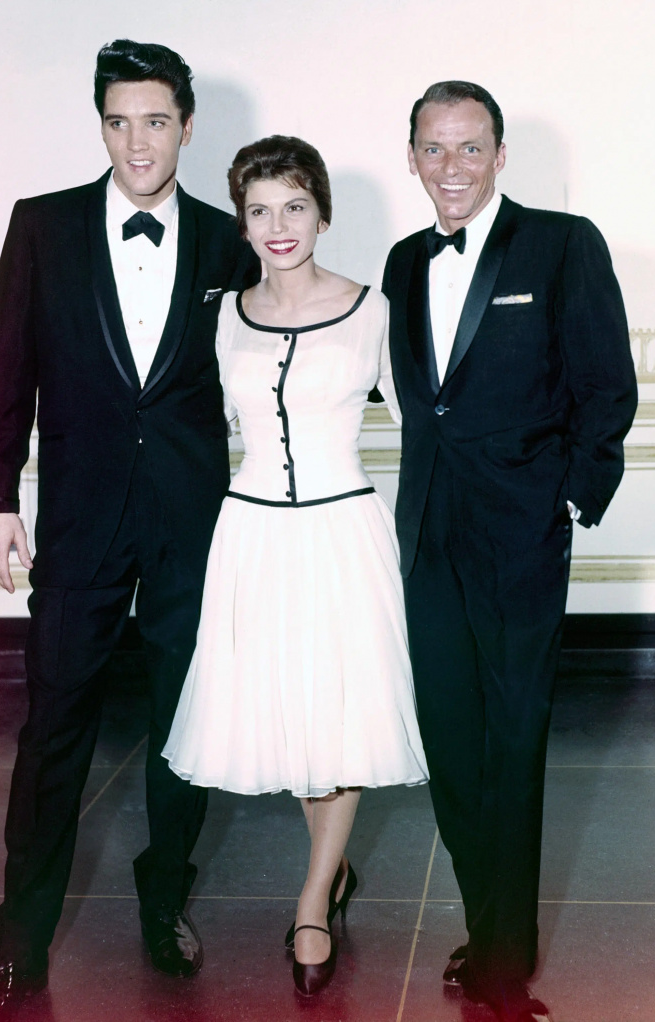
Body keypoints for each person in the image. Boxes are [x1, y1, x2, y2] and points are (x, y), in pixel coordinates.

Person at [0, 39, 259, 1021]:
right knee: (53, 730)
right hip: (81, 523)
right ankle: (19, 941)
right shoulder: (41, 228)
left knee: (185, 730)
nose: (137, 140)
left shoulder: (227, 241)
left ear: (184, 124)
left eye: (156, 120)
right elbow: (10, 370)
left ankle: (162, 891)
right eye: (119, 121)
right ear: (101, 125)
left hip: (191, 526)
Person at [383, 82, 638, 1022]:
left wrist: (568, 495)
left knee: (513, 740)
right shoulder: (406, 260)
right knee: (451, 744)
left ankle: (503, 959)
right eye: (434, 150)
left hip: (521, 536)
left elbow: (607, 387)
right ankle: (489, 924)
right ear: (412, 157)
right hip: (428, 537)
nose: (452, 168)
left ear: (499, 155)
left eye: (469, 148)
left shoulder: (565, 244)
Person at [161, 135, 429, 997]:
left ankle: (313, 896)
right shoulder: (222, 317)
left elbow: (435, 423)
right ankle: (333, 869)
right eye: (261, 210)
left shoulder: (373, 310)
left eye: (296, 207)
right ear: (242, 221)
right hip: (253, 535)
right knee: (290, 711)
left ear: (322, 212)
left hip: (343, 534)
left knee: (343, 711)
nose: (279, 226)